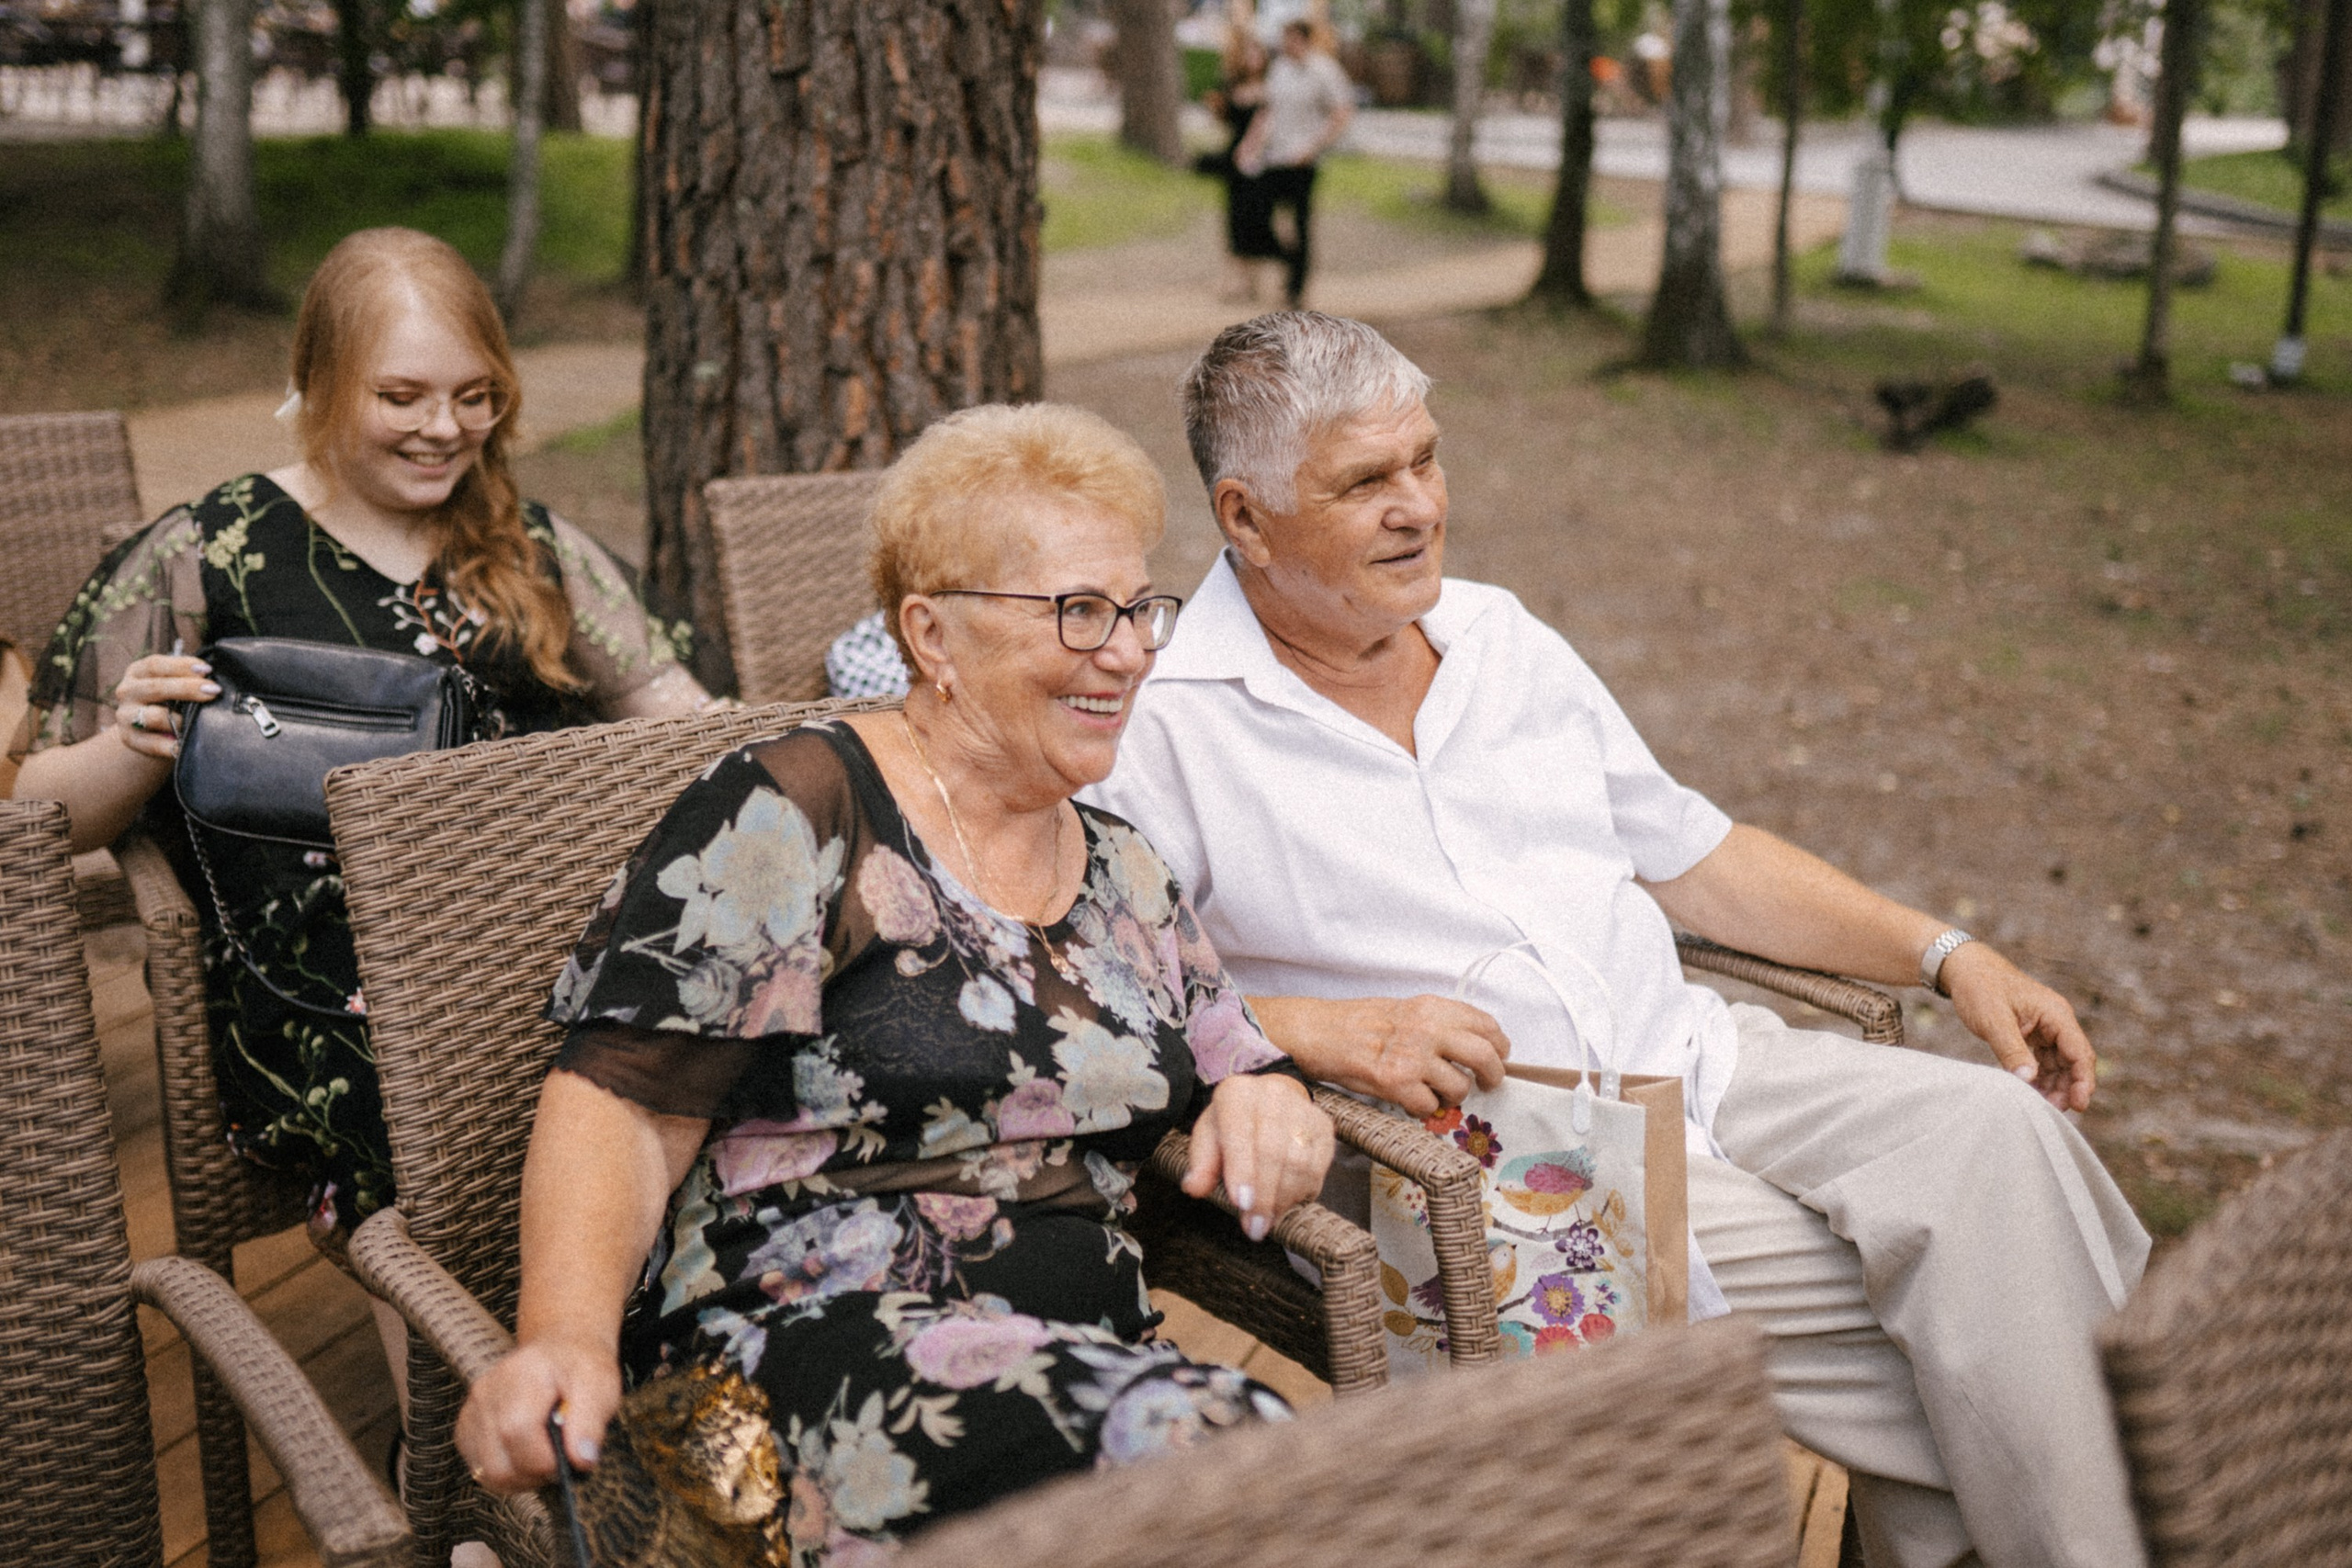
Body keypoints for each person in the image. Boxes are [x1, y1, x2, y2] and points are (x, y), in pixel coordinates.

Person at [1087, 312, 2153, 1568]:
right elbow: (1106, 982)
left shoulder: (1501, 637)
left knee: (2000, 1135)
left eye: (1426, 459)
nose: (1420, 504)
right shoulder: (1163, 719)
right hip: (1489, 1149)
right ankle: (2140, 1508)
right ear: (1245, 517)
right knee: (1991, 1321)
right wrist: (1327, 1030)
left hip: (1697, 1053)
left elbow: (1699, 855)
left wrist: (1949, 952)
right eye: (1365, 480)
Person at [457, 403, 1335, 1560]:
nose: (1125, 650)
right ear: (931, 631)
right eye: (1077, 612)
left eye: (1136, 609)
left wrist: (1267, 1095)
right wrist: (562, 1337)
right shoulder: (797, 807)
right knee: (1237, 1446)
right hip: (797, 1353)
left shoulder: (1122, 864)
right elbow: (624, 1101)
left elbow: (1232, 1051)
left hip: (1080, 1370)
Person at [10, 226, 717, 1243]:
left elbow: (678, 717)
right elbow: (41, 815)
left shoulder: (530, 546)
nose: (446, 429)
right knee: (421, 1087)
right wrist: (136, 742)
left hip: (545, 923)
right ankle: (469, 1378)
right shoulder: (210, 552)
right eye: (403, 397)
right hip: (329, 973)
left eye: (476, 397)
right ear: (320, 382)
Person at [1232, 20, 1353, 309]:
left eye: (1292, 40)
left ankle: (1296, 288)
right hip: (1276, 158)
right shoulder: (1280, 70)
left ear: (1304, 40)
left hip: (1303, 161)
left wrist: (1313, 147)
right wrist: (1252, 145)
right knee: (1261, 214)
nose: (1287, 46)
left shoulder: (1324, 71)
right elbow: (1269, 112)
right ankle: (1287, 263)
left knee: (1299, 223)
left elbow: (1341, 112)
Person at [1202, 27, 1282, 303]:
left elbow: (1268, 126)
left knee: (1256, 219)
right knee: (1234, 220)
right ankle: (1234, 279)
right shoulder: (1234, 87)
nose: (1251, 59)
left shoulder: (1270, 91)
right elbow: (1226, 122)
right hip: (1235, 160)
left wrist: (1252, 148)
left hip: (1259, 161)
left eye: (1256, 54)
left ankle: (1254, 279)